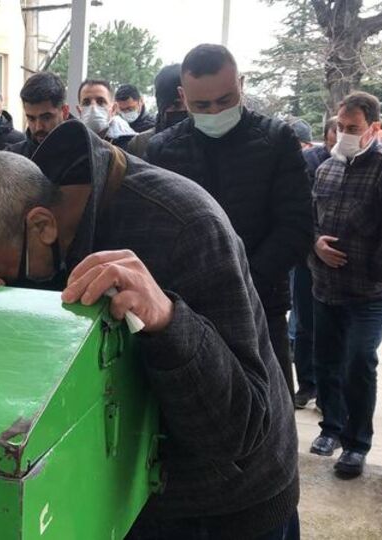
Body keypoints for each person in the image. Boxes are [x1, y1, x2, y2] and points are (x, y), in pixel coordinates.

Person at [0, 121, 299, 539]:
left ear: (42, 226)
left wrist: (169, 322)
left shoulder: (186, 226)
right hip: (112, 498)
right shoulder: (21, 198)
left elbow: (240, 428)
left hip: (222, 507)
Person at [146, 44, 312, 399]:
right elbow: (158, 231)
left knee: (272, 411)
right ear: (183, 97)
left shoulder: (275, 140)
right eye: (202, 105)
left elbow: (296, 227)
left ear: (241, 85)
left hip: (262, 305)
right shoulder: (163, 149)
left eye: (225, 100)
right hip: (190, 310)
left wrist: (242, 282)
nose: (215, 112)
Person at [308, 91, 382, 479]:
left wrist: (370, 270)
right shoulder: (327, 168)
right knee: (326, 361)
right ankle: (331, 429)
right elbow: (310, 218)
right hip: (326, 286)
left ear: (374, 128)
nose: (344, 134)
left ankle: (356, 444)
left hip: (371, 292)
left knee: (358, 362)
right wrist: (315, 245)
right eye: (340, 127)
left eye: (353, 128)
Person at [290, 116, 338, 410]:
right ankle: (307, 384)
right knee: (305, 325)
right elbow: (300, 209)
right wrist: (315, 242)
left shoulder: (377, 164)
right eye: (337, 133)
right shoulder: (309, 162)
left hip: (345, 264)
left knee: (335, 332)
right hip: (308, 259)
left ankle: (329, 392)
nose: (342, 139)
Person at [127, 64, 189, 159]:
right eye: (176, 105)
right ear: (161, 107)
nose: (185, 110)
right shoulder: (140, 144)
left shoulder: (208, 139)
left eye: (191, 105)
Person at [6, 71, 71, 158]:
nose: (38, 127)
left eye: (46, 118)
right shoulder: (12, 157)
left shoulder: (83, 155)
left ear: (65, 112)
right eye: (31, 119)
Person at [78, 79, 137, 148]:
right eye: (86, 103)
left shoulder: (130, 143)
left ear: (113, 109)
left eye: (100, 102)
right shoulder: (71, 140)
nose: (93, 107)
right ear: (79, 111)